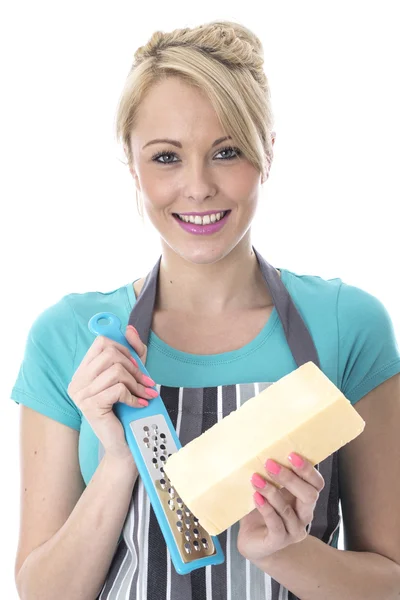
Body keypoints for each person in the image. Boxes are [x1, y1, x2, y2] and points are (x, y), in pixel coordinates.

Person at [10, 19, 400, 600]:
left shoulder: (348, 326)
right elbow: (42, 594)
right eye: (166, 157)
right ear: (132, 163)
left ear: (267, 152)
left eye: (226, 151)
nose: (197, 187)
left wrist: (286, 552)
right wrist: (118, 463)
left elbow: (390, 582)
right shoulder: (68, 339)